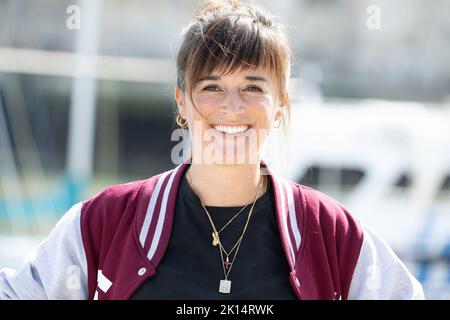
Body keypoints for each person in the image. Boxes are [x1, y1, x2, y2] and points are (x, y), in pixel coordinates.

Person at [0, 0, 424, 300]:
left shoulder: (332, 234)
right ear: (182, 102)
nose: (232, 107)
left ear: (281, 106)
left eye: (252, 88)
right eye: (212, 87)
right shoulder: (106, 222)